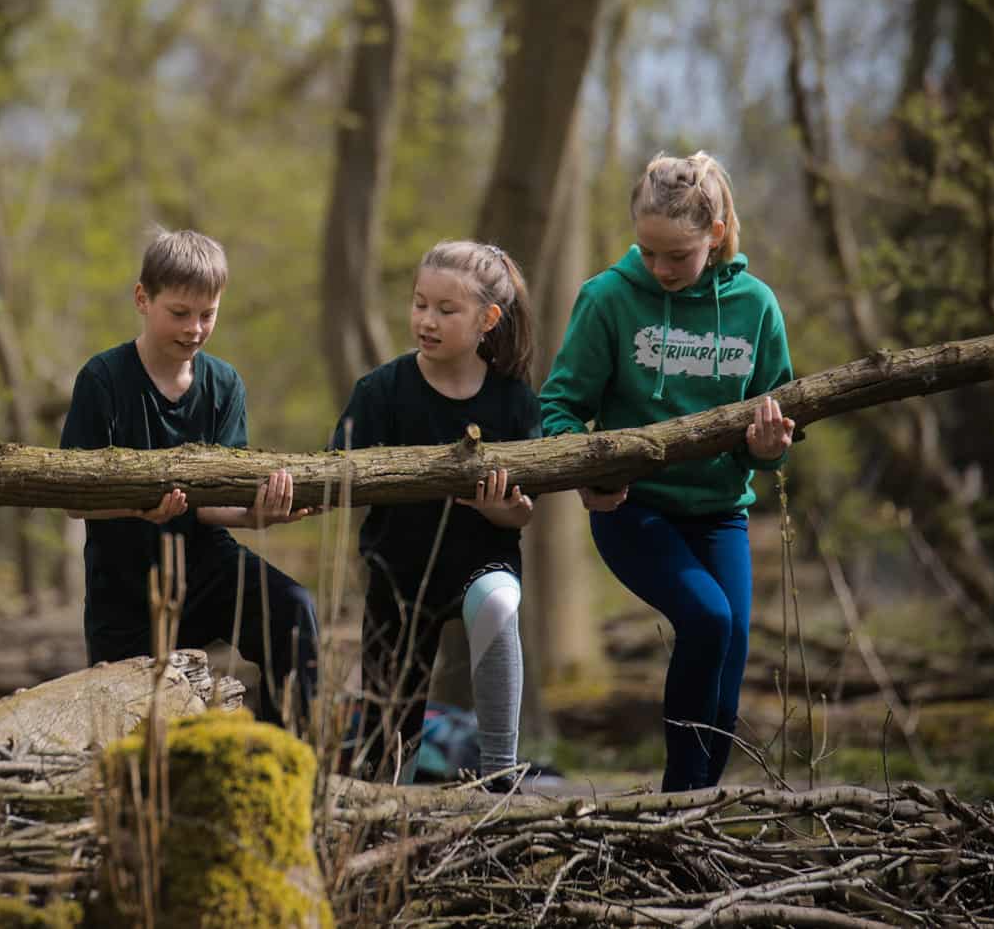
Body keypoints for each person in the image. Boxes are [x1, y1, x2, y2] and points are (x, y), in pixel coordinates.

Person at [541, 152, 796, 792]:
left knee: (732, 651)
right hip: (635, 510)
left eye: (675, 257)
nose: (659, 269)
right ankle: (678, 800)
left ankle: (700, 807)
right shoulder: (606, 299)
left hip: (720, 513)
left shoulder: (756, 306)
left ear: (715, 233)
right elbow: (561, 408)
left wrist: (768, 449)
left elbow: (782, 419)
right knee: (707, 620)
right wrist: (590, 475)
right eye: (647, 252)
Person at [61, 229, 320, 729]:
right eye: (179, 313)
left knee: (293, 610)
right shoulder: (103, 380)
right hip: (125, 583)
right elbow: (74, 500)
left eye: (208, 314)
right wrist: (136, 508)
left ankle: (292, 760)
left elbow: (211, 503)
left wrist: (254, 515)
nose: (195, 329)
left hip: (206, 565)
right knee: (133, 729)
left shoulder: (223, 384)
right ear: (142, 298)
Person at [332, 240, 538, 783]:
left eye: (447, 311)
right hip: (398, 573)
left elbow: (524, 513)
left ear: (488, 319)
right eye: (420, 304)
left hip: (482, 562)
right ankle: (387, 805)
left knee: (497, 604)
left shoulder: (513, 400)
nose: (427, 320)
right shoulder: (380, 392)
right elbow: (338, 477)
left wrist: (502, 511)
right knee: (389, 730)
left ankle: (499, 777)